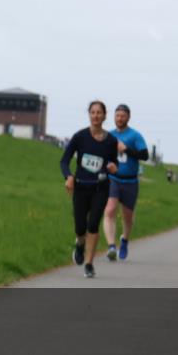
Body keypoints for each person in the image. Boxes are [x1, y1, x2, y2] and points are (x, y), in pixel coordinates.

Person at [60, 101, 119, 278]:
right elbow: (64, 161)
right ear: (89, 114)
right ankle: (79, 243)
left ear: (104, 115)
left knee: (93, 224)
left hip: (100, 187)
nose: (95, 116)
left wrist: (114, 167)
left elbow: (113, 161)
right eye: (92, 112)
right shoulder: (79, 137)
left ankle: (89, 263)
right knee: (80, 227)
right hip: (80, 186)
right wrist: (69, 176)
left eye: (99, 113)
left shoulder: (111, 140)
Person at [102, 104, 148, 261]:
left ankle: (125, 240)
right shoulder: (108, 135)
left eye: (122, 116)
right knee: (110, 210)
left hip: (130, 181)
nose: (119, 118)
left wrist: (126, 149)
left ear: (128, 117)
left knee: (127, 217)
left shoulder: (135, 135)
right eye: (117, 116)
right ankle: (111, 247)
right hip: (113, 179)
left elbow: (145, 155)